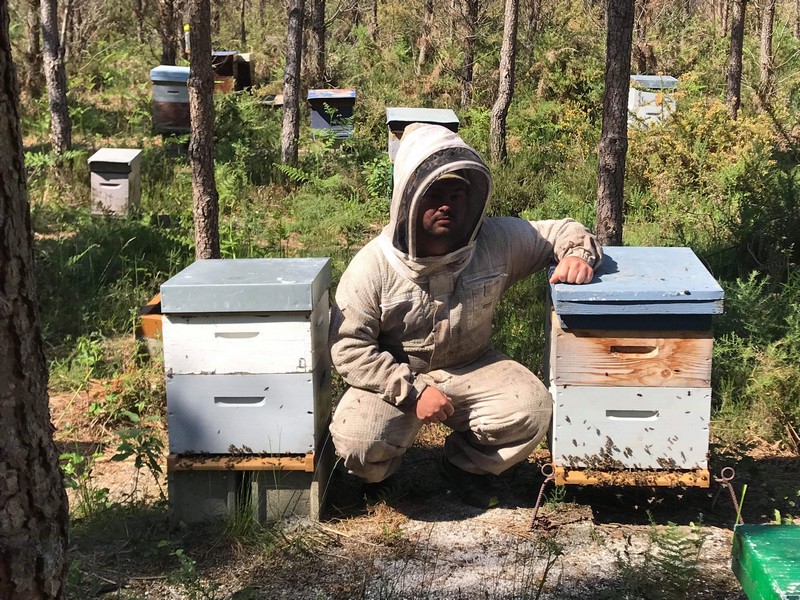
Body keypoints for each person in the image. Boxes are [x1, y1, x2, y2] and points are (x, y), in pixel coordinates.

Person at [329, 123, 602, 509]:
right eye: (434, 195)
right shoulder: (372, 267)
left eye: (457, 195)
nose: (447, 206)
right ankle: (378, 477)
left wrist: (577, 255)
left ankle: (465, 467)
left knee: (531, 407)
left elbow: (562, 230)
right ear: (408, 199)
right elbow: (349, 348)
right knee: (359, 439)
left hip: (473, 365)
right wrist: (413, 392)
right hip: (396, 375)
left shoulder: (497, 241)